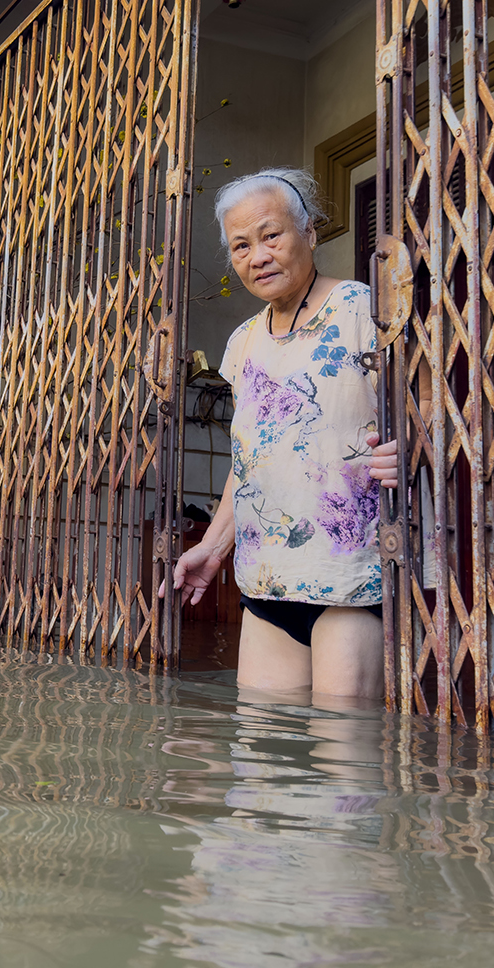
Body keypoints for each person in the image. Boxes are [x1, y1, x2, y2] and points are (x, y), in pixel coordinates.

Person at [168, 167, 400, 699]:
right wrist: (213, 545)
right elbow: (250, 460)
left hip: (348, 576)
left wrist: (409, 450)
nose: (258, 255)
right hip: (268, 578)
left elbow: (430, 403)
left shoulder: (363, 309)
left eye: (271, 235)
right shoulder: (243, 342)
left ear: (310, 234)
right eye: (241, 245)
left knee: (346, 759)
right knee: (263, 760)